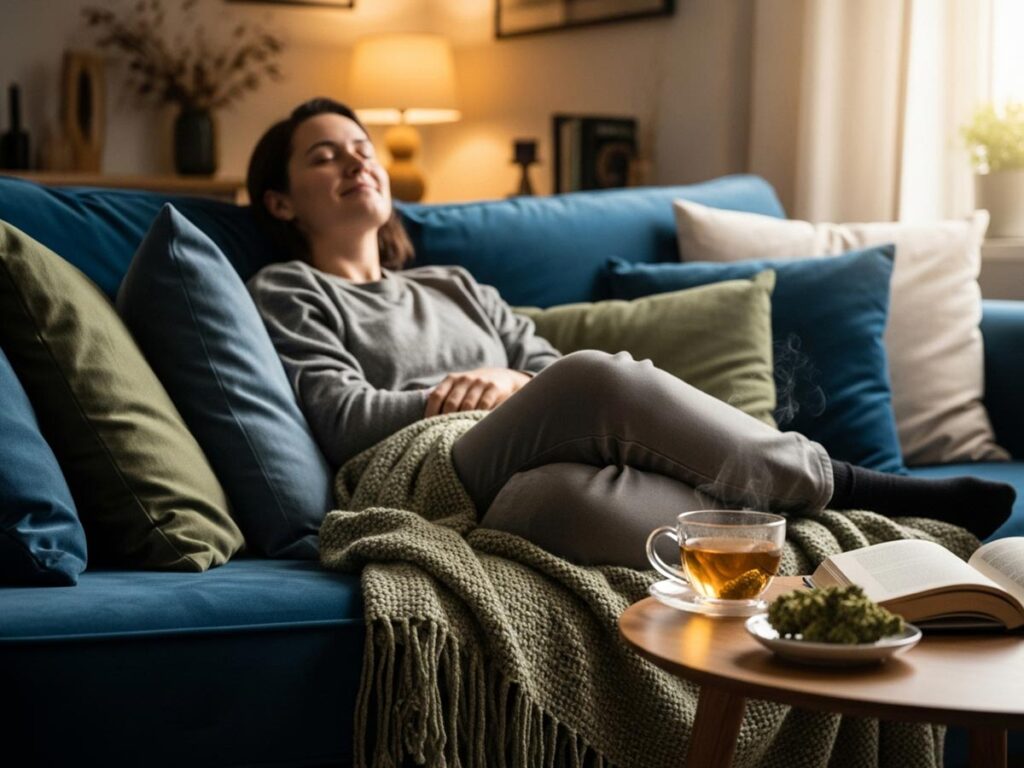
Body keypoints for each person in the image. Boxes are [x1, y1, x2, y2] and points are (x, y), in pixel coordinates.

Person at [245, 98, 1014, 568]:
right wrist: (453, 397)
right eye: (325, 156)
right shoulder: (289, 288)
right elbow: (339, 417)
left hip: (521, 469)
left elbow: (542, 367)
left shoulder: (453, 285)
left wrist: (510, 382)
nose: (355, 162)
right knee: (590, 388)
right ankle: (851, 501)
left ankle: (845, 535)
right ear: (280, 202)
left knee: (559, 503)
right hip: (427, 468)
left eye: (362, 148)